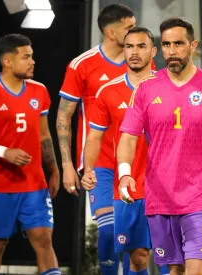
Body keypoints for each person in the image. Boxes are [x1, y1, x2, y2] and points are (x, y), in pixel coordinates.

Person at [116, 17, 202, 275]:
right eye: (166, 44)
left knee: (196, 269)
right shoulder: (145, 89)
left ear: (192, 46)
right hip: (160, 197)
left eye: (178, 43)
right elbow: (128, 137)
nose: (172, 51)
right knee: (176, 271)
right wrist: (124, 173)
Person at [0, 34, 60, 275]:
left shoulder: (39, 91)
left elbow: (44, 135)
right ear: (7, 61)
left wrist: (54, 169)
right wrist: (4, 152)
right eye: (26, 57)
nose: (33, 61)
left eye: (32, 56)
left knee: (43, 240)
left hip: (34, 184)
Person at [81, 26, 170, 275]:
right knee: (139, 255)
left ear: (153, 51)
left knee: (170, 255)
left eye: (142, 46)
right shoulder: (108, 91)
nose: (134, 52)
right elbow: (94, 137)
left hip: (166, 181)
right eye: (129, 46)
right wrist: (88, 169)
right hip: (128, 180)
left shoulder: (171, 87)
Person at [57, 4, 137, 274]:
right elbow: (63, 117)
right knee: (108, 231)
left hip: (138, 163)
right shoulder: (83, 65)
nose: (134, 32)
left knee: (137, 245)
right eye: (129, 27)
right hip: (99, 163)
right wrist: (68, 165)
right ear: (112, 32)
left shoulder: (138, 62)